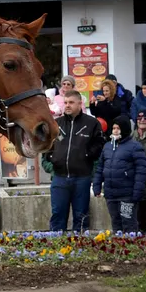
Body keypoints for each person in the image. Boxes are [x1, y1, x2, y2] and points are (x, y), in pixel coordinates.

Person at [43, 92, 104, 232]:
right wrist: (52, 160)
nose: (67, 105)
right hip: (59, 177)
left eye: (71, 102)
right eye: (65, 102)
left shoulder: (91, 123)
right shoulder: (56, 123)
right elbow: (48, 145)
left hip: (82, 178)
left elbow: (99, 144)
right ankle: (57, 242)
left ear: (79, 103)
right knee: (58, 214)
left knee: (81, 216)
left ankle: (80, 243)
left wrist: (87, 155)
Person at [93, 116, 146, 233]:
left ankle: (131, 244)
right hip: (110, 194)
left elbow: (141, 171)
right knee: (116, 223)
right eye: (114, 128)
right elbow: (100, 168)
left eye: (118, 128)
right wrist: (96, 186)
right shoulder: (107, 146)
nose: (115, 131)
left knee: (128, 224)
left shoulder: (135, 147)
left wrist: (137, 192)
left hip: (127, 195)